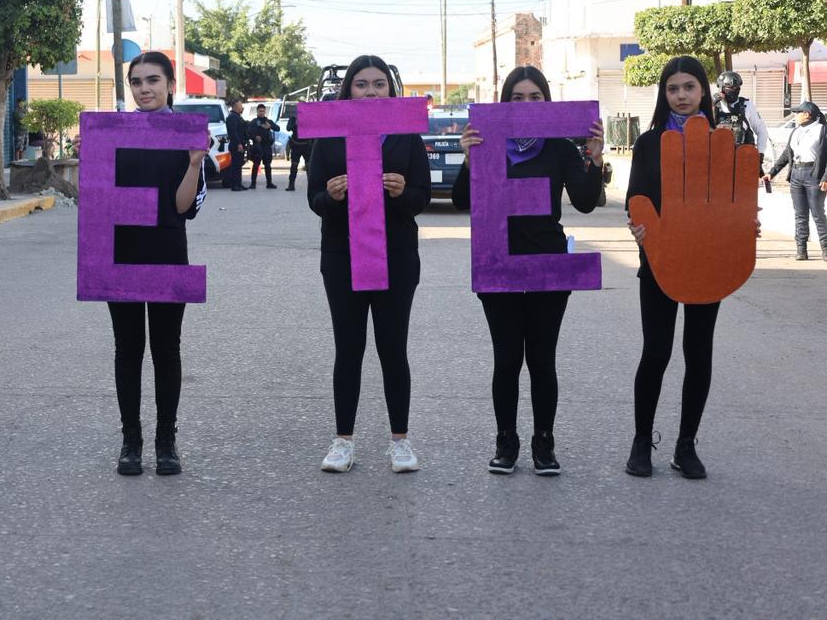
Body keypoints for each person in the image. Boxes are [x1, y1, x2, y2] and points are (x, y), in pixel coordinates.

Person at [452, 66, 605, 476]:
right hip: (497, 263)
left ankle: (544, 442)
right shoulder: (488, 143)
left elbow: (585, 202)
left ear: (547, 102)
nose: (526, 105)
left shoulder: (560, 148)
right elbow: (461, 201)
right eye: (517, 98)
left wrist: (594, 158)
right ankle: (506, 441)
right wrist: (468, 160)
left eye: (535, 97)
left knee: (541, 359)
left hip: (548, 266)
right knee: (506, 360)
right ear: (504, 103)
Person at [624, 55, 757, 480]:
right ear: (663, 94)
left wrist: (744, 224)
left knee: (698, 355)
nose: (681, 96)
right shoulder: (649, 143)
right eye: (673, 89)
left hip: (709, 262)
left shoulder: (724, 141)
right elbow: (636, 198)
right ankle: (641, 442)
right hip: (659, 261)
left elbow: (735, 201)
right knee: (656, 353)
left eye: (689, 87)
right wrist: (639, 228)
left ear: (704, 91)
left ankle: (686, 446)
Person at [307, 55, 431, 473]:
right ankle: (343, 441)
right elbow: (314, 200)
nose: (371, 92)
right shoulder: (329, 135)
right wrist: (331, 196)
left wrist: (401, 193)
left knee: (393, 348)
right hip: (342, 254)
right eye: (362, 84)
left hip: (396, 254)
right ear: (348, 90)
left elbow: (422, 196)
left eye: (379, 84)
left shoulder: (406, 135)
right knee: (349, 348)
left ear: (391, 89)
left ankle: (400, 441)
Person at [106, 51, 207, 476]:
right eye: (136, 81)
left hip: (168, 251)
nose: (144, 88)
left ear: (170, 85)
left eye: (153, 80)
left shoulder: (186, 134)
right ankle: (131, 439)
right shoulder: (113, 132)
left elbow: (183, 208)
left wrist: (194, 162)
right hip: (119, 255)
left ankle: (166, 440)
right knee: (128, 349)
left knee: (167, 349)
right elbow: (99, 202)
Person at [763, 101, 827, 261]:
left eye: (798, 112)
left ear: (807, 114)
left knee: (818, 214)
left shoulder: (821, 130)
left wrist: (826, 177)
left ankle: (826, 249)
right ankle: (801, 249)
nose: (795, 115)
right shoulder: (796, 131)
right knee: (800, 214)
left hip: (814, 175)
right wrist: (772, 173)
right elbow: (787, 154)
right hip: (796, 175)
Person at [713, 71, 768, 164]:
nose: (734, 90)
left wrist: (760, 153)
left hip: (743, 159)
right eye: (730, 88)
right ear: (721, 88)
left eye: (737, 87)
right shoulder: (714, 105)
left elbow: (761, 130)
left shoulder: (747, 105)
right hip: (719, 160)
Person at [247, 104, 280, 189]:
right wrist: (255, 137)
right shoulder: (254, 122)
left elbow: (278, 128)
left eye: (263, 111)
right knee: (256, 164)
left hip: (267, 146)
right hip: (257, 146)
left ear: (265, 112)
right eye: (260, 111)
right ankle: (253, 183)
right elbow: (248, 133)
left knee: (268, 165)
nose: (261, 113)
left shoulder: (268, 121)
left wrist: (270, 126)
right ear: (257, 111)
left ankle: (269, 183)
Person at [224, 97, 248, 191]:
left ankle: (239, 183)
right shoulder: (232, 117)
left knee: (239, 165)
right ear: (235, 106)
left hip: (240, 144)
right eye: (240, 105)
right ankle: (234, 185)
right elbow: (233, 132)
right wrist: (238, 144)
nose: (242, 107)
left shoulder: (238, 116)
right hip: (236, 145)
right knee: (235, 165)